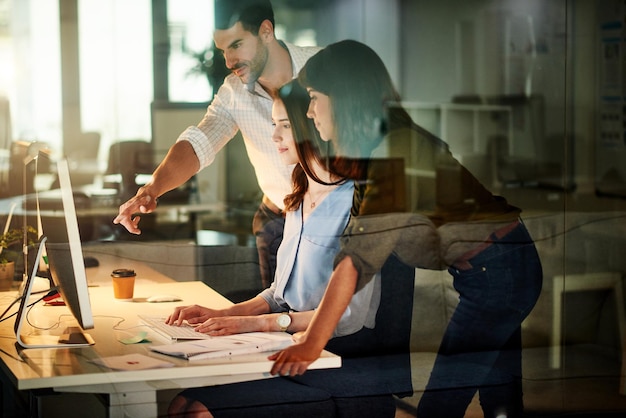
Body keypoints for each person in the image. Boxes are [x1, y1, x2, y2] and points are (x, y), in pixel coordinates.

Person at [269, 40, 543, 418]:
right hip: (494, 266)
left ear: (346, 98)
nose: (311, 111)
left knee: (444, 399)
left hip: (500, 270)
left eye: (315, 97)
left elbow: (355, 261)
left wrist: (312, 343)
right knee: (499, 395)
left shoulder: (394, 151)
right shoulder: (378, 148)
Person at [166, 80, 392, 417]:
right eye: (274, 125)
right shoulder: (298, 198)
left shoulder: (358, 204)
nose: (274, 137)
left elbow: (347, 319)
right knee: (181, 402)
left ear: (314, 127)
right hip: (286, 340)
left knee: (199, 410)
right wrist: (223, 315)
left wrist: (257, 325)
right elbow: (277, 293)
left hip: (337, 355)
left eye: (285, 126)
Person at [112, 0, 321, 289]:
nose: (229, 61)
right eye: (223, 50)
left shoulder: (326, 68)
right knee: (279, 319)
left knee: (335, 325)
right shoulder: (234, 92)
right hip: (278, 221)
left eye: (236, 45)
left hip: (331, 216)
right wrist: (151, 190)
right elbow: (199, 142)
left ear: (266, 31)